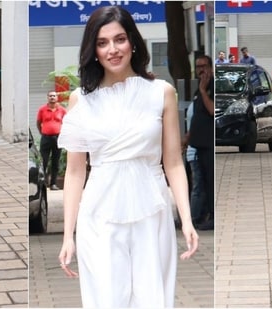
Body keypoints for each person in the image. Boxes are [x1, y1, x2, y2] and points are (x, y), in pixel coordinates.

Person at [56, 6, 199, 308]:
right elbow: (75, 172)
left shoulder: (162, 92)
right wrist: (68, 234)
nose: (112, 50)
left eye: (119, 39)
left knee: (153, 298)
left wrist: (186, 219)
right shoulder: (81, 99)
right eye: (102, 42)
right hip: (99, 213)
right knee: (107, 300)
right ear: (93, 50)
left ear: (133, 42)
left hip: (152, 209)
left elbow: (172, 162)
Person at [189, 55, 214, 231]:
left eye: (204, 66)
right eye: (198, 67)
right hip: (199, 145)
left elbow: (212, 110)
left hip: (210, 145)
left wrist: (205, 91)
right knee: (202, 182)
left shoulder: (210, 87)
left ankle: (213, 216)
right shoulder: (199, 88)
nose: (201, 70)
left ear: (211, 67)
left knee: (211, 182)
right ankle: (203, 214)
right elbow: (197, 117)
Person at [36, 90, 67, 190]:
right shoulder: (42, 110)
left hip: (58, 138)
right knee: (43, 161)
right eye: (50, 96)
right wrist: (42, 132)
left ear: (57, 98)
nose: (52, 97)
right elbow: (38, 122)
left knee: (55, 162)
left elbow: (67, 123)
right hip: (46, 138)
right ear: (47, 97)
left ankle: (53, 184)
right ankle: (42, 183)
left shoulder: (62, 110)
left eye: (54, 96)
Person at [185, 102, 206, 225]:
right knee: (198, 187)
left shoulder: (194, 105)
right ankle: (194, 216)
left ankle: (197, 215)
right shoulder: (196, 106)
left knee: (198, 186)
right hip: (195, 153)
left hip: (194, 152)